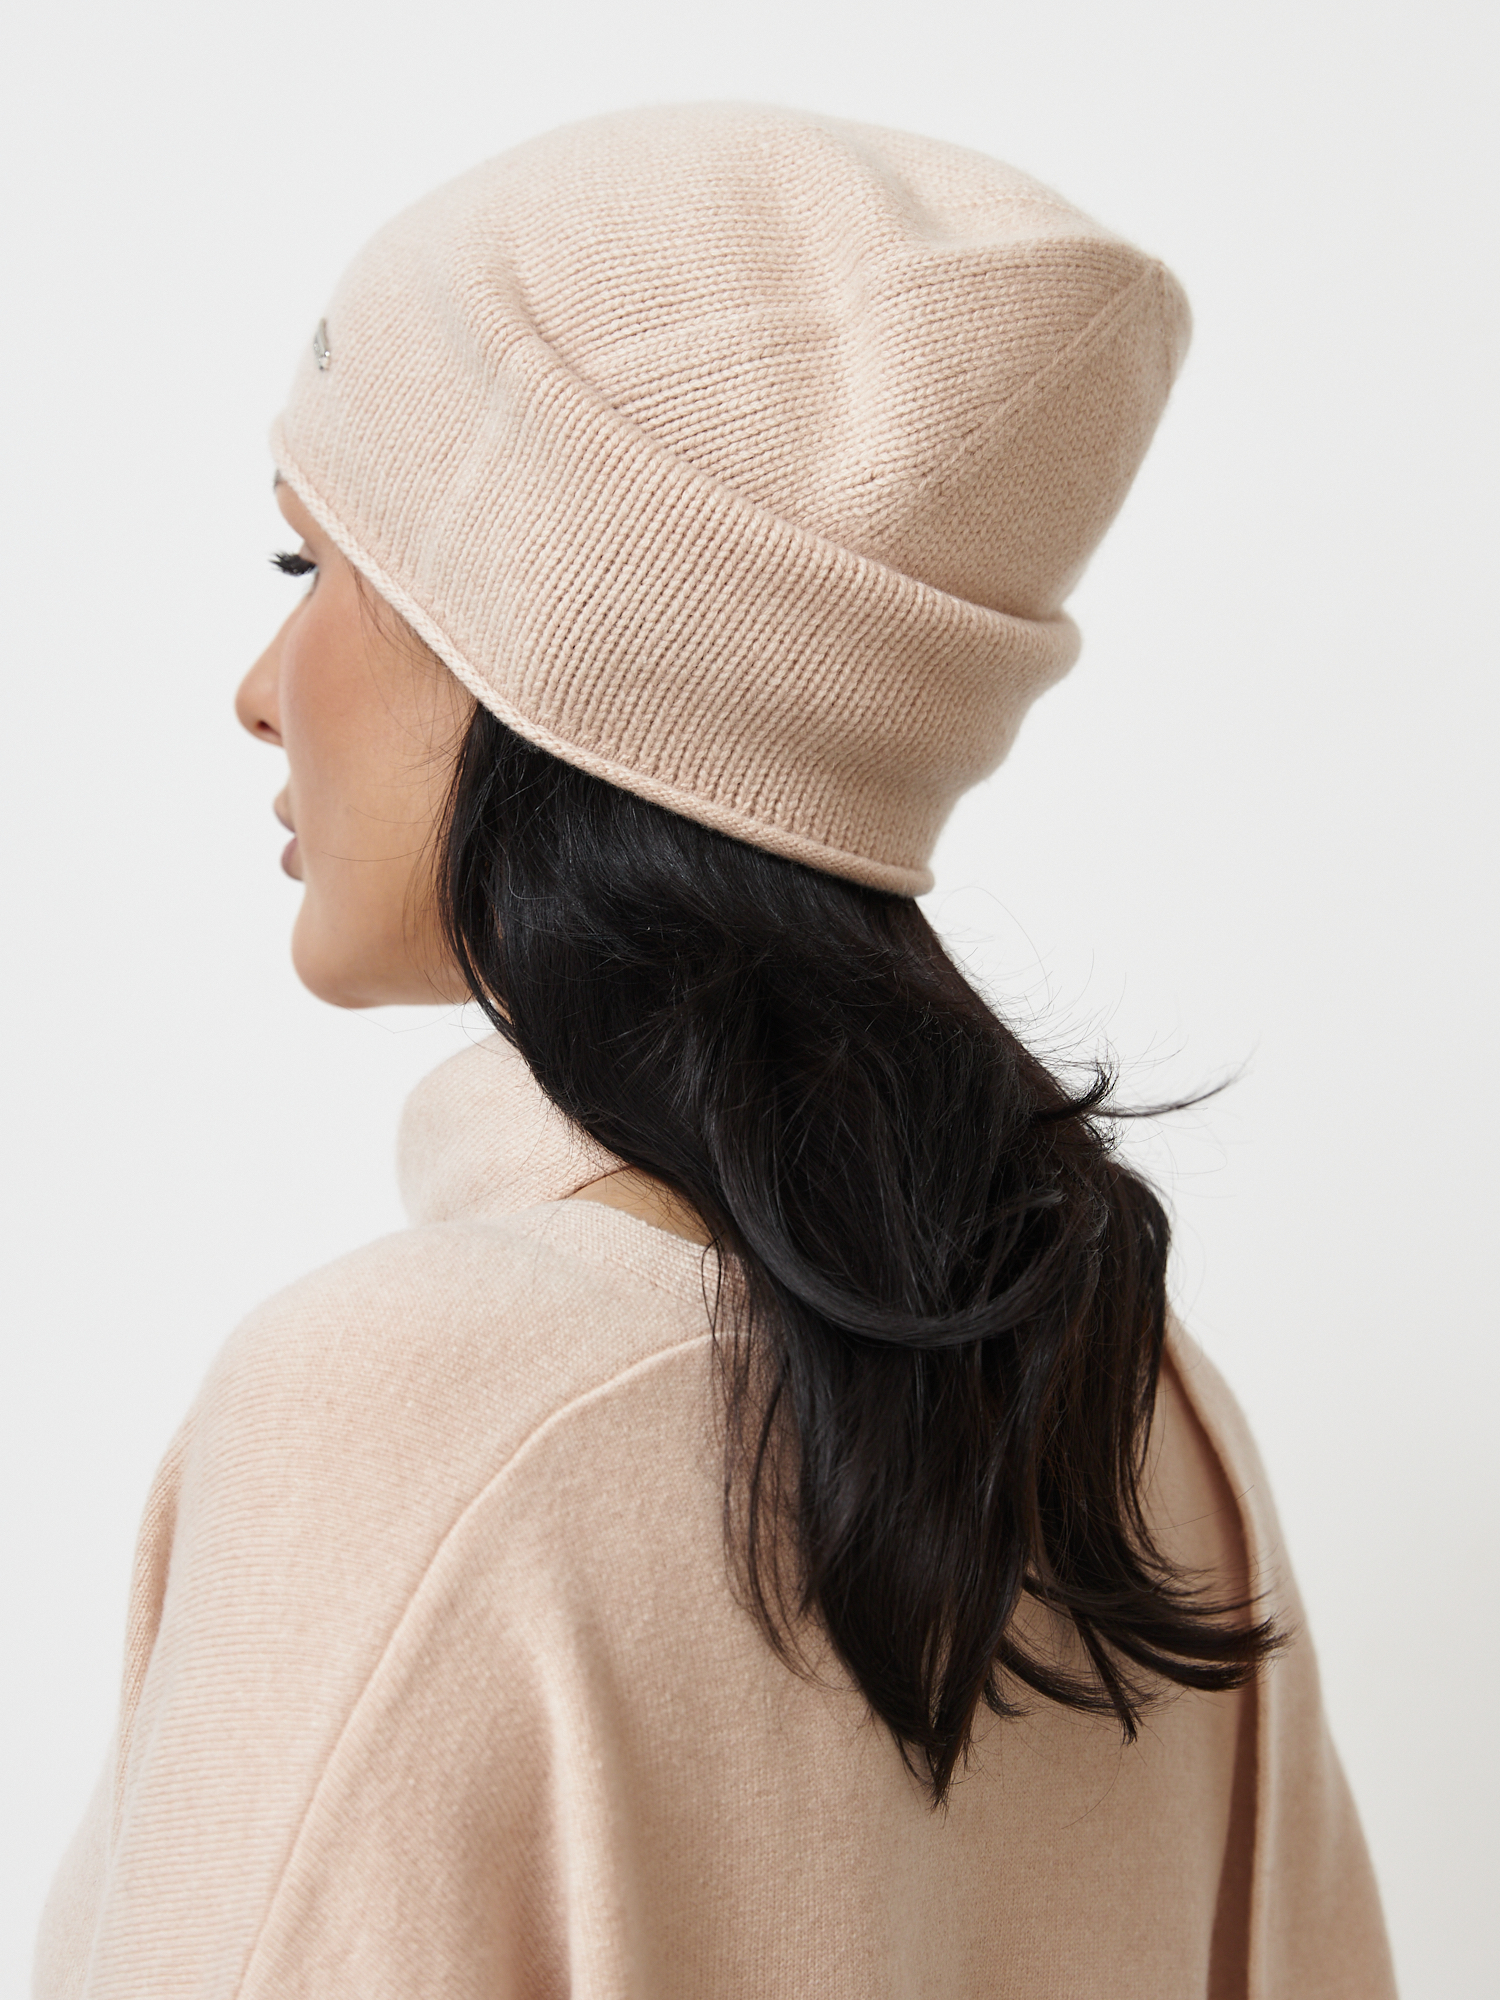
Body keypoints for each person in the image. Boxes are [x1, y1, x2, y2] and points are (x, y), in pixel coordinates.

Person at [35, 105, 1395, 1999]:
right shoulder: (1136, 1416)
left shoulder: (398, 1409)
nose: (259, 695)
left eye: (306, 567)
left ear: (530, 654)